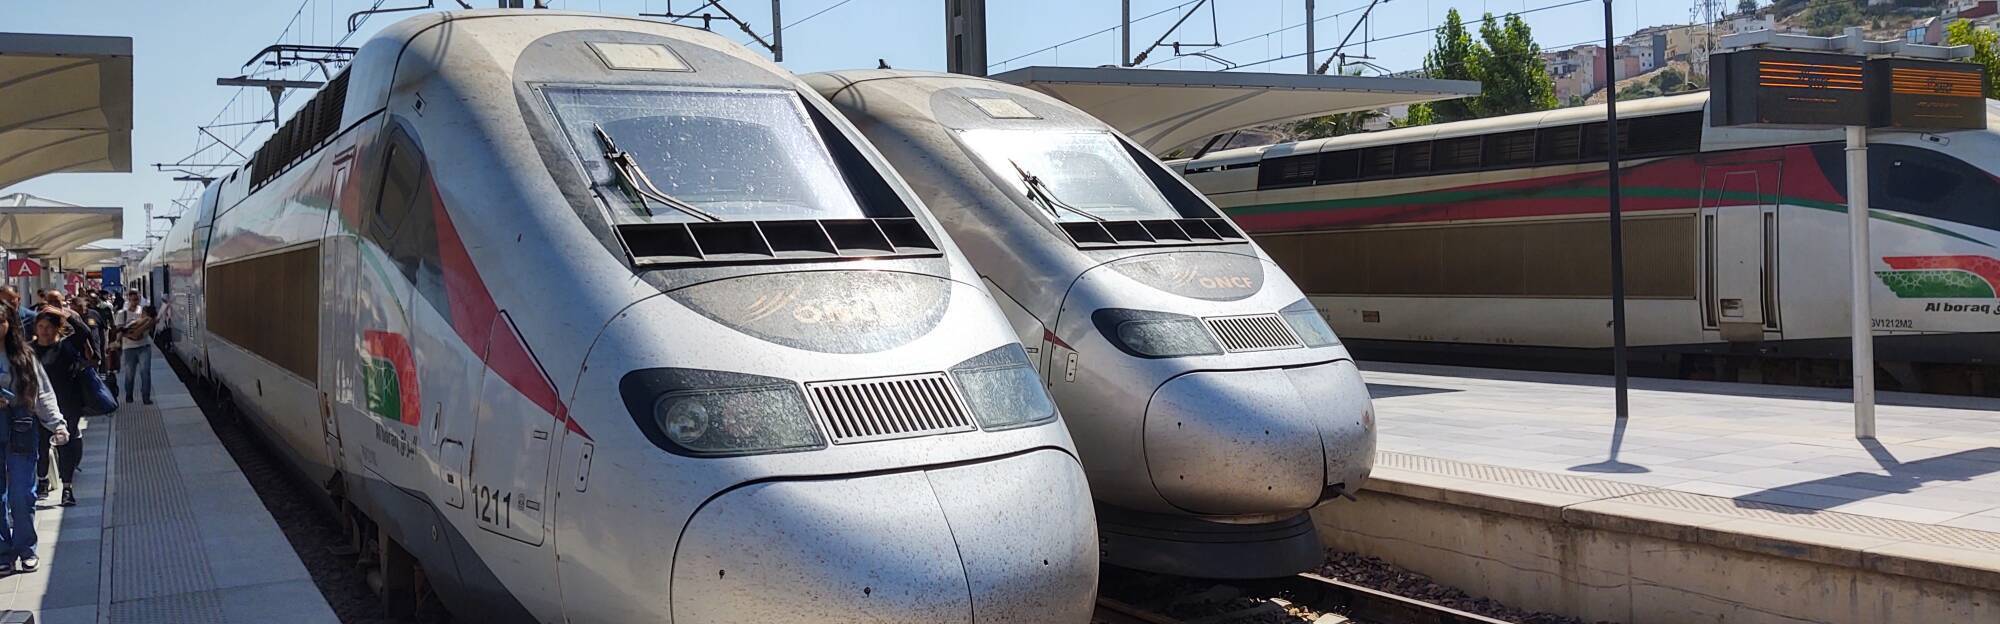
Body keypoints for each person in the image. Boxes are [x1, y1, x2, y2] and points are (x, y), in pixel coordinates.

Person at [0, 305, 71, 574]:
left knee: (21, 493)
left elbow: (43, 394)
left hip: (21, 427)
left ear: (9, 324)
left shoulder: (24, 356)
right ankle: (3, 552)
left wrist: (57, 424)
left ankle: (26, 548)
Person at [30, 313, 85, 508]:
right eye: (40, 326)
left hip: (67, 404)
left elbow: (83, 332)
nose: (44, 330)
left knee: (65, 445)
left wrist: (64, 312)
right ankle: (42, 479)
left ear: (56, 328)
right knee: (41, 445)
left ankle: (67, 488)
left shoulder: (66, 347)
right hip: (39, 407)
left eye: (48, 326)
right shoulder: (30, 351)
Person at [115, 296, 154, 405]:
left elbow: (149, 325)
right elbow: (119, 330)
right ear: (128, 300)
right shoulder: (122, 314)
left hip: (144, 346)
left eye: (137, 299)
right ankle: (129, 396)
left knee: (145, 372)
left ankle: (146, 397)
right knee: (129, 374)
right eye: (132, 299)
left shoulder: (145, 312)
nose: (135, 301)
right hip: (129, 348)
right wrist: (118, 341)